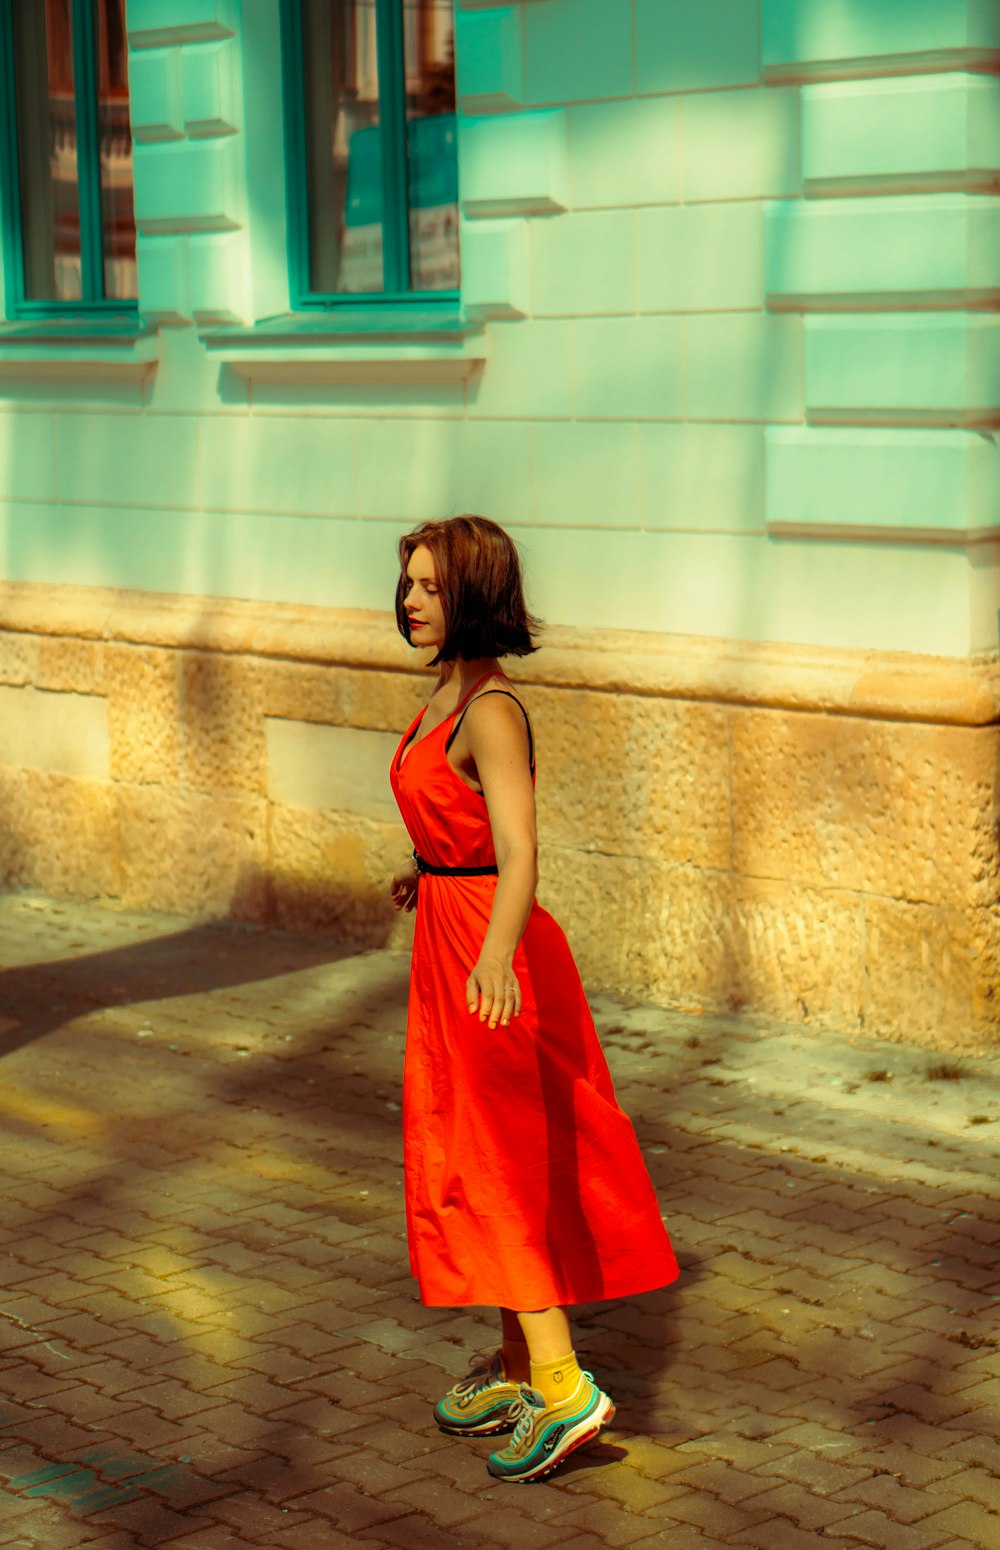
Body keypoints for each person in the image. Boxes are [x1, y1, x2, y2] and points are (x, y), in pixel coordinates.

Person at [388, 515, 678, 1484]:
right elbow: (464, 831)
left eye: (430, 585)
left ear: (474, 593)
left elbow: (519, 852)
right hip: (452, 928)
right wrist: (424, 869)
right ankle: (517, 1366)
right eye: (409, 583)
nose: (411, 599)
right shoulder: (445, 693)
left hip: (487, 952)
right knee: (468, 1149)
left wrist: (498, 955)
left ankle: (561, 1387)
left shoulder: (493, 708)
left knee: (496, 1162)